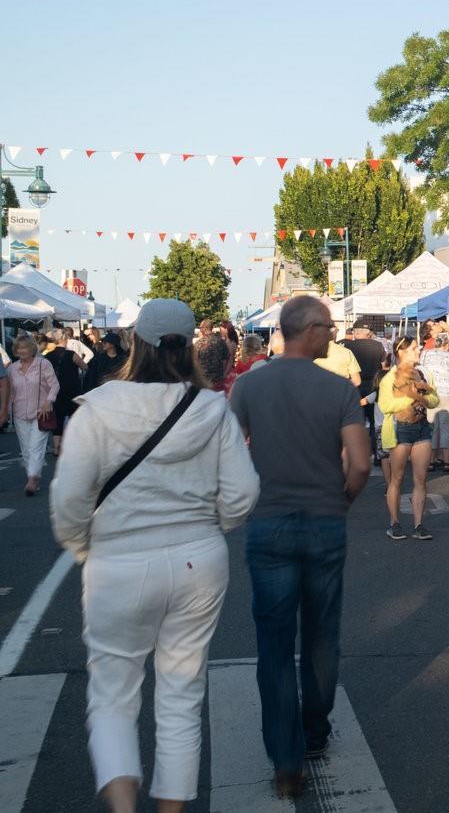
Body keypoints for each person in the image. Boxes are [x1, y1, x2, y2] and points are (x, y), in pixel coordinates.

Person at [50, 299, 260, 813]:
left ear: (137, 342)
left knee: (114, 696)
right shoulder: (210, 407)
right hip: (198, 560)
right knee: (181, 696)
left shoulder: (98, 408)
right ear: (189, 344)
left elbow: (70, 499)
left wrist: (83, 546)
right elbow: (242, 493)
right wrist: (213, 527)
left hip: (118, 561)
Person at [227, 295, 371, 800]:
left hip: (268, 525)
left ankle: (285, 759)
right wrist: (343, 501)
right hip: (325, 521)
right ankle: (314, 732)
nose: (333, 334)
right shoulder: (337, 389)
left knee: (273, 642)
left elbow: (229, 454)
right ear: (307, 330)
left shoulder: (248, 385)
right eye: (328, 327)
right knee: (320, 634)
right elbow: (359, 464)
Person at [377, 337, 438, 541]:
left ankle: (419, 524)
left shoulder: (423, 373)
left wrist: (425, 395)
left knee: (421, 479)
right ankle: (394, 523)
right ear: (401, 351)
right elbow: (385, 405)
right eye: (413, 348)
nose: (418, 349)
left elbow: (434, 400)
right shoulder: (390, 377)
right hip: (399, 428)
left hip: (421, 427)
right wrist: (412, 397)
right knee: (397, 478)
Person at [5, 334, 59, 495]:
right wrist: (6, 411)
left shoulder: (44, 364)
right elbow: (11, 393)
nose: (22, 350)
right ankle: (33, 476)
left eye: (25, 347)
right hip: (20, 413)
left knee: (36, 446)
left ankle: (33, 479)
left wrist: (48, 401)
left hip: (40, 413)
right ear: (15, 350)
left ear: (32, 349)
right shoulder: (12, 369)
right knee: (26, 449)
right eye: (19, 348)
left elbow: (54, 385)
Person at [419, 323, 449, 472]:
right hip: (447, 393)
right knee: (447, 427)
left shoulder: (425, 354)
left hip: (430, 393)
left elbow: (421, 370)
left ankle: (430, 461)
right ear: (448, 343)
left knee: (431, 426)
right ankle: (447, 461)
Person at [341, 326, 388, 455]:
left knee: (357, 420)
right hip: (374, 385)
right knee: (376, 420)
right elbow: (384, 366)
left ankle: (358, 451)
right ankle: (377, 451)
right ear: (368, 334)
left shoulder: (348, 346)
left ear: (355, 333)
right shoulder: (378, 345)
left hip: (356, 386)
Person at [43, 327, 86, 454]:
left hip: (55, 391)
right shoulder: (71, 354)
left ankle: (56, 448)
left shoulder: (48, 356)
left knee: (58, 419)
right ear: (64, 339)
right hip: (72, 390)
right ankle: (72, 444)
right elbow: (85, 366)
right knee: (74, 417)